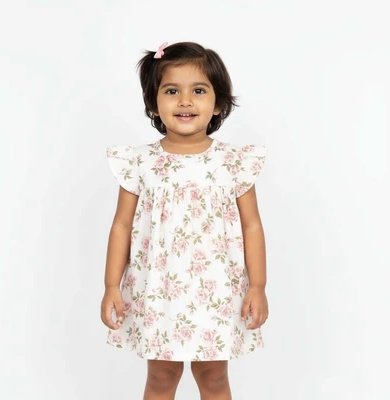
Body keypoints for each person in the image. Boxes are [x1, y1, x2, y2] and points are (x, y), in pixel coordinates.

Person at [101, 41, 269, 400]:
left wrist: (258, 286)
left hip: (218, 291)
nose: (185, 101)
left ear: (219, 103)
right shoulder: (139, 162)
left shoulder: (233, 163)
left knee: (213, 376)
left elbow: (252, 226)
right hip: (158, 290)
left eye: (199, 91)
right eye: (172, 91)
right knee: (161, 377)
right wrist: (111, 285)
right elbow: (121, 226)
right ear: (153, 102)